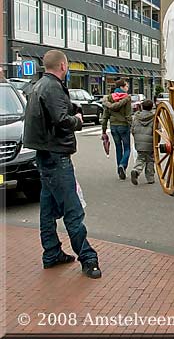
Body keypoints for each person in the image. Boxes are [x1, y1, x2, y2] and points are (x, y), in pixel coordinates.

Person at [22, 49, 101, 279]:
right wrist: (77, 120)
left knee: (47, 210)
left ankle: (52, 253)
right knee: (72, 210)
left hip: (44, 155)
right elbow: (60, 120)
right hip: (57, 156)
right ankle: (88, 258)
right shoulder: (53, 87)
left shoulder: (36, 87)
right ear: (63, 66)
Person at [101, 79, 132, 180]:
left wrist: (104, 130)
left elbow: (105, 116)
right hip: (123, 125)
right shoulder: (126, 98)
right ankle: (122, 165)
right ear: (122, 87)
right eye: (126, 86)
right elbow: (128, 115)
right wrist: (132, 126)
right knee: (127, 148)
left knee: (118, 148)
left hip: (113, 126)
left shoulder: (109, 98)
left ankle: (119, 168)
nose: (128, 88)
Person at [130, 99, 155, 185]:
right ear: (151, 108)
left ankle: (136, 170)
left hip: (139, 141)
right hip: (150, 141)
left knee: (140, 158)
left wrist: (136, 138)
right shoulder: (153, 117)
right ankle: (150, 178)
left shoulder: (136, 117)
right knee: (150, 160)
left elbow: (132, 129)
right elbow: (157, 131)